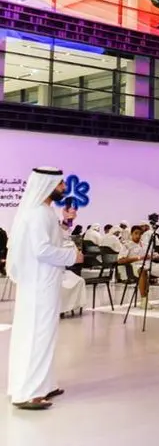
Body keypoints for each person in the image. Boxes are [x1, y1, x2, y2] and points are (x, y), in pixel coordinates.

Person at [6, 167, 84, 410]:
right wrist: (72, 256)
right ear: (47, 185)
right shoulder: (38, 214)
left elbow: (53, 240)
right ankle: (28, 393)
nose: (64, 188)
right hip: (38, 284)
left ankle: (43, 384)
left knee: (45, 334)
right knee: (36, 335)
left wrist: (67, 222)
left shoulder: (45, 211)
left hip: (46, 282)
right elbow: (42, 250)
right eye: (60, 184)